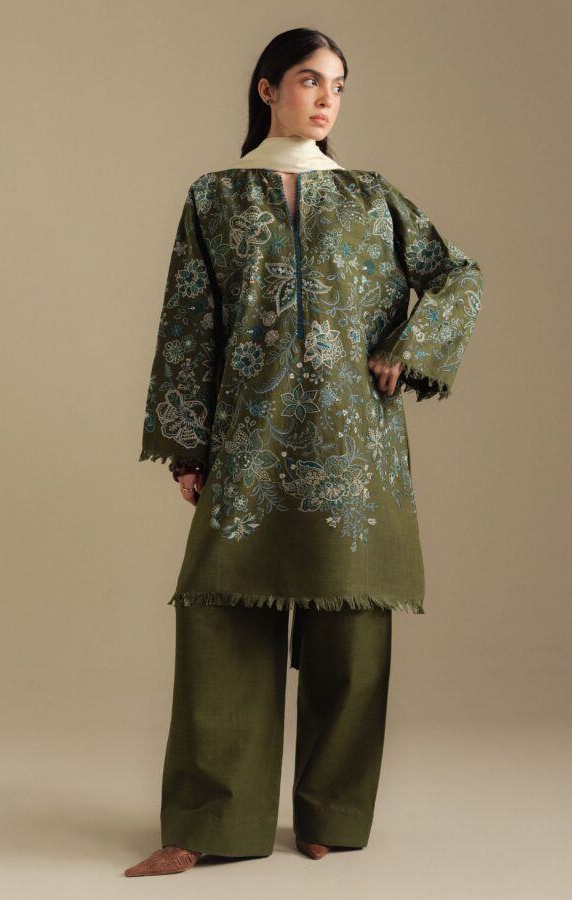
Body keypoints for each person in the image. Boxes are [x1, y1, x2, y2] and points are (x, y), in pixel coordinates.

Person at [126, 27, 484, 877]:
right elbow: (190, 322)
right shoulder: (215, 198)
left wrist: (410, 345)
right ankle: (207, 824)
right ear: (267, 88)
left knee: (351, 633)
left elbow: (457, 274)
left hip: (356, 448)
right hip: (249, 440)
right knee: (223, 621)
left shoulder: (371, 196)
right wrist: (187, 447)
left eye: (340, 86)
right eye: (310, 80)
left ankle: (332, 815)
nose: (327, 99)